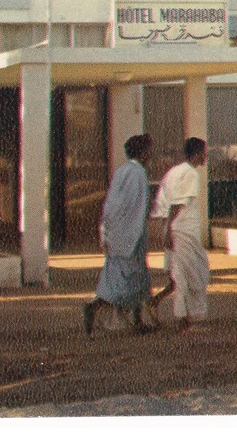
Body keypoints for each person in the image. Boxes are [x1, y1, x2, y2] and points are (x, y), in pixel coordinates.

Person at [83, 133, 156, 336]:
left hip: (117, 234)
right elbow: (139, 207)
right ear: (142, 152)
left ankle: (137, 320)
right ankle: (96, 306)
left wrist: (107, 233)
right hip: (133, 234)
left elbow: (112, 206)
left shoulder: (121, 172)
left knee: (122, 277)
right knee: (131, 278)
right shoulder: (139, 173)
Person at [150, 137, 209, 330]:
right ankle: (185, 320)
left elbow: (161, 202)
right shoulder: (190, 174)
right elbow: (177, 204)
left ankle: (156, 303)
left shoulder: (174, 172)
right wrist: (168, 229)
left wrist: (165, 228)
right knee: (191, 274)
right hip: (183, 231)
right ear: (198, 153)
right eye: (204, 152)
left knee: (180, 275)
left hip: (177, 230)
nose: (205, 156)